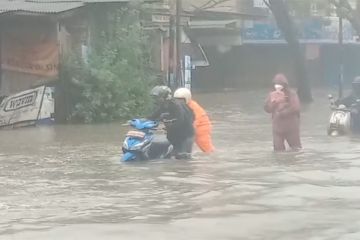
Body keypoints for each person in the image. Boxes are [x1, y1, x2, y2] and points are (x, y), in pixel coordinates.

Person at [148, 85, 195, 159]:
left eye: (158, 97)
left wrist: (169, 125)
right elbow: (152, 117)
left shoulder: (176, 105)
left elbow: (180, 120)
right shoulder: (163, 106)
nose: (156, 100)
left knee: (183, 157)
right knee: (171, 156)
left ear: (165, 97)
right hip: (173, 135)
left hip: (185, 135)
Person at [264, 74, 302, 152]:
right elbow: (267, 108)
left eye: (281, 84)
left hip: (291, 127)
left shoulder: (292, 94)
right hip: (277, 128)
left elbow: (296, 107)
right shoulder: (271, 95)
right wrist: (274, 103)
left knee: (296, 148)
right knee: (278, 151)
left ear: (285, 85)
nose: (278, 86)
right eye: (276, 84)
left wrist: (283, 112)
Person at [173, 88, 215, 153]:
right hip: (190, 127)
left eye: (181, 99)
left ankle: (212, 158)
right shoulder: (178, 106)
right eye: (177, 99)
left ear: (187, 98)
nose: (179, 101)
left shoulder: (194, 107)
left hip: (201, 128)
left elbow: (195, 120)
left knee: (207, 149)